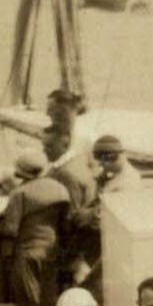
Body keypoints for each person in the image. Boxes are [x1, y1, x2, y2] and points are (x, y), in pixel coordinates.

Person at [1, 150, 71, 306]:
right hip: (52, 252)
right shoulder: (60, 189)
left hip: (26, 254)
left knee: (27, 303)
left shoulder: (19, 193)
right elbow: (66, 224)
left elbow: (10, 230)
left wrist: (6, 258)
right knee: (49, 303)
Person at [42, 123, 101, 289]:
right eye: (43, 146)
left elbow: (71, 216)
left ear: (65, 143)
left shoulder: (66, 173)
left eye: (49, 146)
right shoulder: (78, 164)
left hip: (74, 251)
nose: (45, 150)